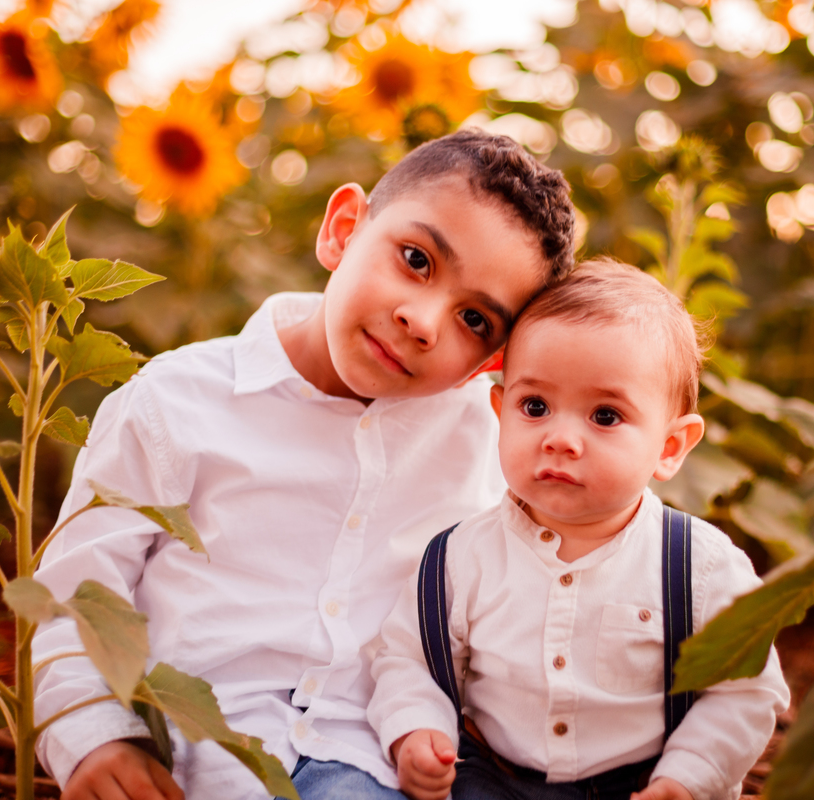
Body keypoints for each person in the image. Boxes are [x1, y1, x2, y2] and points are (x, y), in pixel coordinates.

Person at [31, 129, 577, 800]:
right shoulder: (174, 403)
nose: (424, 322)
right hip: (193, 761)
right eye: (416, 259)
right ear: (343, 230)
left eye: (474, 320)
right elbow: (74, 598)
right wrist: (94, 737)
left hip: (375, 766)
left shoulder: (484, 447)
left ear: (487, 363)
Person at [368, 260, 790, 800]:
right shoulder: (460, 559)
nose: (560, 439)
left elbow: (744, 690)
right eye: (535, 406)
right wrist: (417, 729)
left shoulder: (699, 568)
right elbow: (410, 660)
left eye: (605, 416)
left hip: (641, 782)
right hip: (494, 777)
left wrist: (686, 779)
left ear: (669, 447)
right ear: (500, 412)